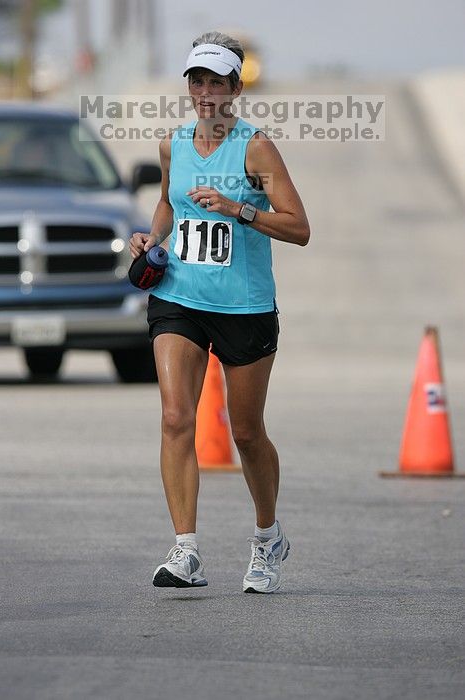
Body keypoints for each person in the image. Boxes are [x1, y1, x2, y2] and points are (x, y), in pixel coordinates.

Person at [130, 31, 310, 593]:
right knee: (174, 417)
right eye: (197, 81)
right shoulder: (173, 144)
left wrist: (238, 208)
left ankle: (266, 539)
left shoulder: (256, 149)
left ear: (235, 88)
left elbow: (299, 227)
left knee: (247, 432)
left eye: (217, 82)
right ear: (188, 87)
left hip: (244, 305)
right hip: (179, 296)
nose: (206, 92)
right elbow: (167, 200)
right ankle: (186, 552)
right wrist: (150, 236)